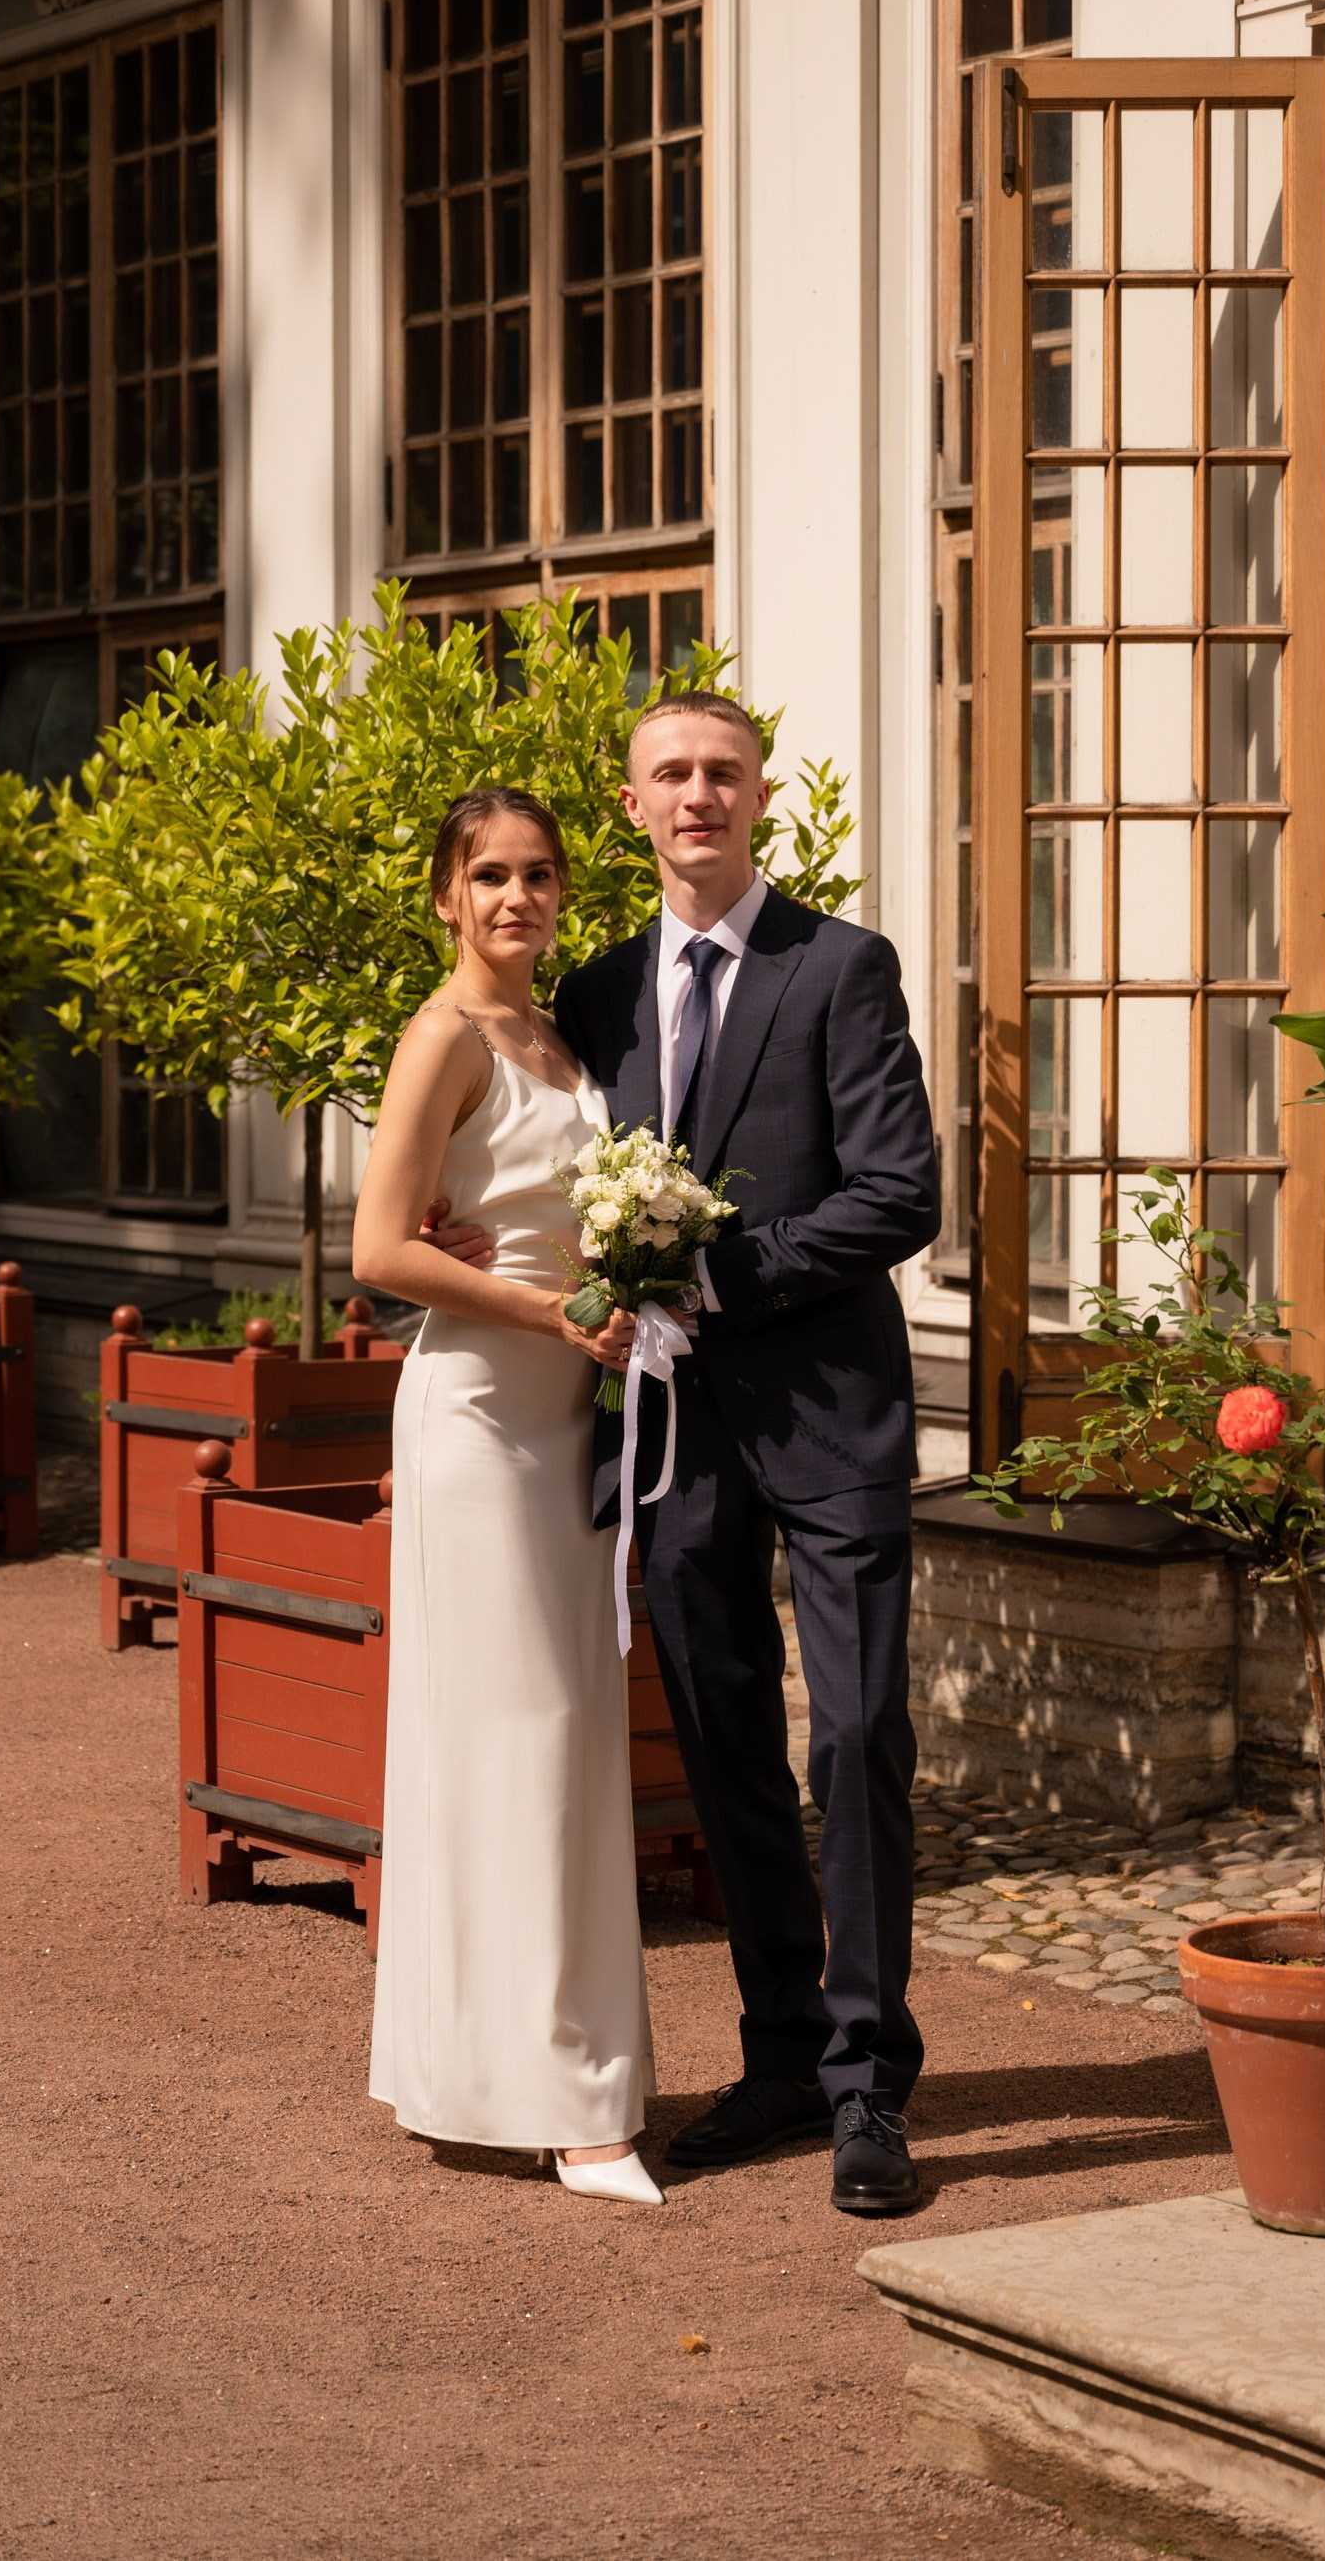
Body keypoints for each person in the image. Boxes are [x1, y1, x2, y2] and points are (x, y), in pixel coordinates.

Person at [431, 692, 938, 2216]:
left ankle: (869, 2083)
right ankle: (780, 2056)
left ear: (759, 795)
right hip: (674, 1436)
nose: (698, 793)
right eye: (671, 774)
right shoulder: (595, 988)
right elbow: (540, 1154)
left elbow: (899, 1193)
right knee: (724, 1746)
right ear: (635, 807)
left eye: (723, 771)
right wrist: (473, 1231)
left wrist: (717, 1273)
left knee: (856, 1736)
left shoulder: (840, 967)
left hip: (833, 1415)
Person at [353, 786, 662, 2206]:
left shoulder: (560, 1035)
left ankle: (515, 2072)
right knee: (516, 1738)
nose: (515, 897)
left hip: (570, 1418)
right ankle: (562, 2106)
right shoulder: (444, 1036)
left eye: (537, 874)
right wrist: (552, 1312)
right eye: (488, 875)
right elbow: (379, 1253)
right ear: (445, 895)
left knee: (566, 1735)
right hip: (480, 1417)